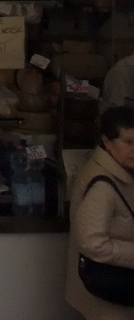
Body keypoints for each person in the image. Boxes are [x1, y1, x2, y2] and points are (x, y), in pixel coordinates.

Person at [65, 106, 134, 319]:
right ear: (107, 142)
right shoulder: (102, 184)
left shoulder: (119, 170)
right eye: (128, 142)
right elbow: (92, 242)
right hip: (108, 294)